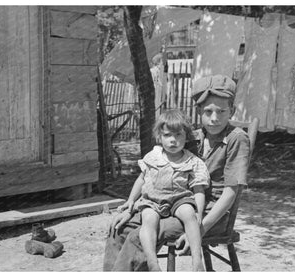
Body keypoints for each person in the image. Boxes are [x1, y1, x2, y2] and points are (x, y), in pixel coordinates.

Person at [103, 74, 250, 271]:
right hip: (173, 204)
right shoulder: (193, 138)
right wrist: (130, 208)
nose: (214, 118)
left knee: (137, 238)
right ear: (198, 111)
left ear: (232, 109)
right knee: (118, 229)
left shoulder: (236, 139)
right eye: (208, 111)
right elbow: (152, 173)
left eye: (222, 111)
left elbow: (230, 194)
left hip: (210, 215)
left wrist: (199, 230)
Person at [117, 109, 209, 271]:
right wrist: (131, 200)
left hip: (179, 199)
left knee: (189, 214)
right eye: (167, 135)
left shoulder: (192, 161)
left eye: (178, 135)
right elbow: (141, 179)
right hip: (152, 200)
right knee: (149, 220)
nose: (173, 141)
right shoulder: (153, 157)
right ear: (159, 137)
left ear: (186, 136)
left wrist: (199, 212)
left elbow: (198, 189)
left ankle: (196, 259)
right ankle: (152, 262)